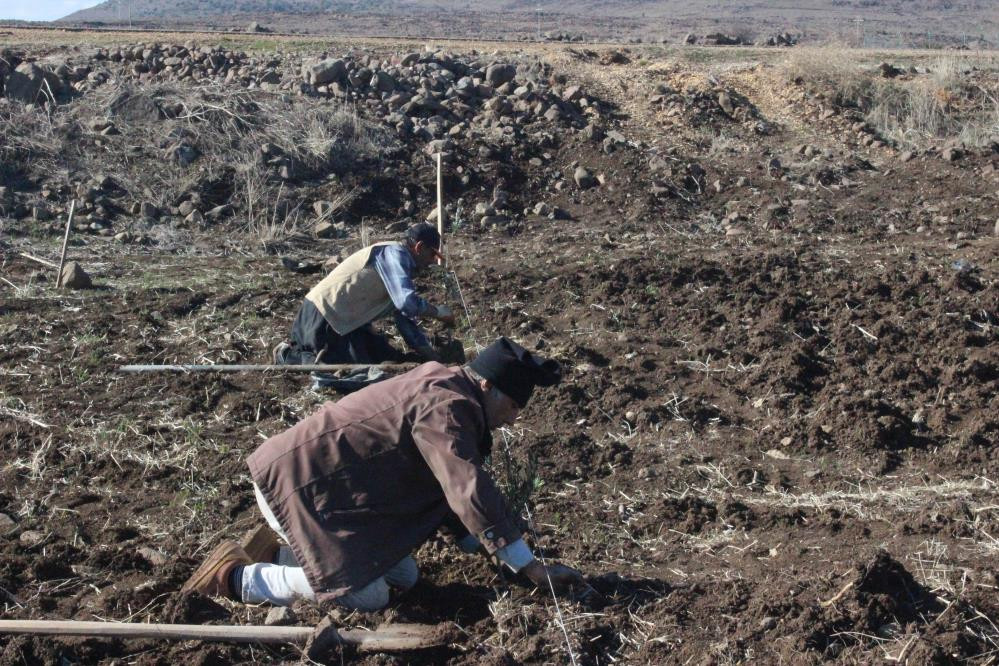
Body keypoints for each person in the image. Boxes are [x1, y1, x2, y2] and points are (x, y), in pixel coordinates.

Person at [182, 337, 585, 610]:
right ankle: (236, 579)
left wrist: (498, 552)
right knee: (368, 596)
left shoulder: (446, 385)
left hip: (325, 493)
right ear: (486, 385)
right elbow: (465, 485)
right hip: (296, 488)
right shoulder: (448, 408)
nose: (513, 419)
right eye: (513, 406)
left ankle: (280, 555)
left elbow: (446, 493)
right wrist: (528, 565)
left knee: (404, 576)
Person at [272, 223, 456, 371]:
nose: (432, 260)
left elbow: (406, 319)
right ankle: (287, 355)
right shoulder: (394, 254)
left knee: (386, 358)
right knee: (347, 370)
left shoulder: (399, 272)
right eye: (432, 254)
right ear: (419, 247)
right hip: (321, 317)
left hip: (347, 324)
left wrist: (433, 358)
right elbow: (407, 302)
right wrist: (438, 312)